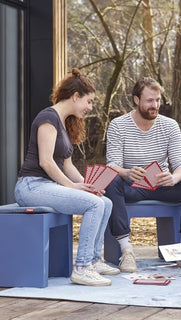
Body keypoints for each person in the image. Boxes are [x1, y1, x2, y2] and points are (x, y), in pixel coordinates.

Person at [14, 68, 119, 286]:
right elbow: (46, 162)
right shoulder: (47, 118)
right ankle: (81, 268)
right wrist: (73, 187)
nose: (90, 108)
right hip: (31, 186)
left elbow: (67, 164)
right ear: (75, 97)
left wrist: (88, 186)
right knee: (94, 205)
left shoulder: (63, 122)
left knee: (104, 202)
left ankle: (93, 260)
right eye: (88, 102)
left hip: (47, 185)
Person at [105, 77, 181, 272]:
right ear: (136, 100)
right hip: (132, 186)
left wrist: (174, 178)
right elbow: (112, 165)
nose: (155, 105)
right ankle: (127, 252)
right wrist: (127, 172)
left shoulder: (170, 125)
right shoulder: (118, 125)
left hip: (163, 186)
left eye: (158, 100)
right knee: (111, 180)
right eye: (150, 100)